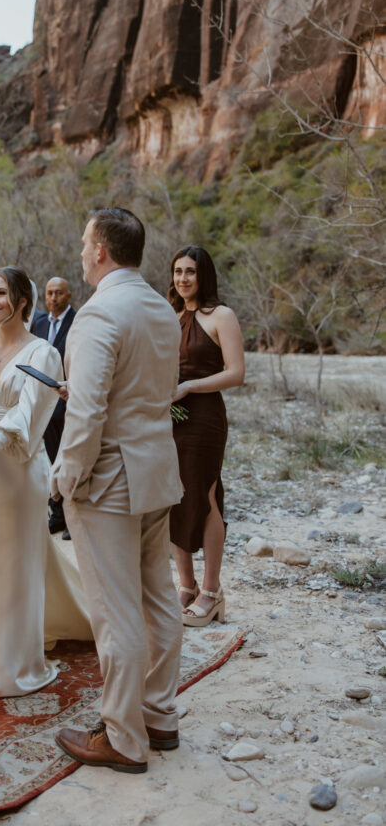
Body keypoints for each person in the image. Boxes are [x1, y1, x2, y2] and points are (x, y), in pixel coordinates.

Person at [53, 208, 183, 774]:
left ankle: (124, 739)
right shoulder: (161, 307)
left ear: (102, 250)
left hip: (107, 480)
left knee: (116, 614)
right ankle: (160, 715)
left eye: (86, 243)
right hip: (157, 469)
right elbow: (150, 388)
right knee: (159, 599)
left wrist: (64, 478)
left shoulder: (97, 313)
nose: (82, 252)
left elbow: (86, 414)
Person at [0, 266, 92, 696]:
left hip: (15, 467)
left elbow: (27, 421)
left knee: (15, 564)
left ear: (22, 300)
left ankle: (13, 663)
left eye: (0, 293)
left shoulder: (43, 354)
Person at [168, 245, 245, 627]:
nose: (183, 278)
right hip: (169, 416)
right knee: (171, 495)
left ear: (204, 275)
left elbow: (236, 373)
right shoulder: (170, 315)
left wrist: (189, 387)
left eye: (190, 272)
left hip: (204, 417)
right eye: (178, 271)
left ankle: (212, 592)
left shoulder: (221, 316)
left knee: (206, 493)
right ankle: (186, 584)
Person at [33, 277, 76, 536]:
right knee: (49, 459)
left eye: (59, 293)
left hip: (69, 400)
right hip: (44, 402)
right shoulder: (38, 323)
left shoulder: (78, 322)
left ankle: (73, 517)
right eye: (49, 293)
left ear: (68, 296)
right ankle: (57, 513)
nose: (53, 298)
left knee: (68, 460)